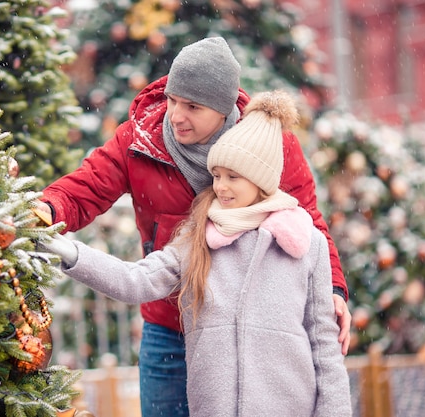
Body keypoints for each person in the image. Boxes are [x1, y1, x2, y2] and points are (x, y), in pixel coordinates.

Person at [36, 37, 351, 416]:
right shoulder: (139, 141)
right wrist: (47, 210)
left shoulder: (270, 145)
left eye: (193, 106)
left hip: (247, 331)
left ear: (222, 110)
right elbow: (86, 189)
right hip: (168, 325)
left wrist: (332, 287)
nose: (176, 115)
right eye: (172, 100)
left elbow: (308, 222)